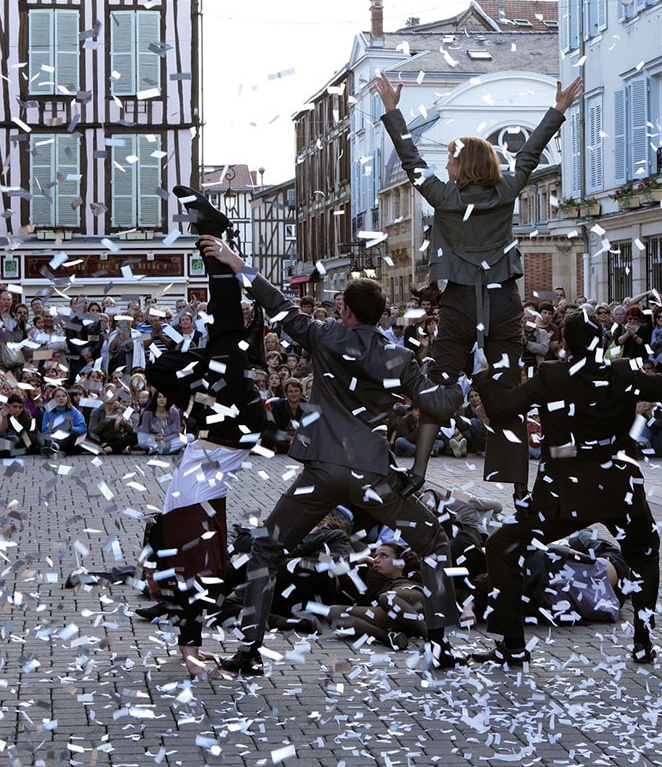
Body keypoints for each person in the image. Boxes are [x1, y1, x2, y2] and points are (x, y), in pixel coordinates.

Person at [197, 236, 466, 676]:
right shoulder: (399, 357)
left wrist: (234, 260)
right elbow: (438, 406)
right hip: (372, 476)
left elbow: (278, 305)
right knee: (435, 542)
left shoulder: (325, 336)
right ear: (382, 316)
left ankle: (249, 651)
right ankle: (439, 644)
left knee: (267, 548)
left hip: (321, 470)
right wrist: (466, 383)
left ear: (345, 311)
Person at [373, 69, 583, 496]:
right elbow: (530, 155)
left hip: (460, 302)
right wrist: (557, 110)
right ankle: (519, 485)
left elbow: (412, 162)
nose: (446, 165)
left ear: (462, 165)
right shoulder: (506, 191)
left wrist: (393, 113)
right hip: (503, 299)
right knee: (508, 389)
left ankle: (419, 471)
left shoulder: (444, 198)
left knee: (439, 383)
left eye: (450, 159)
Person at [470, 305, 662, 665]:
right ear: (600, 340)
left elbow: (503, 409)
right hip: (618, 489)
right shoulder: (625, 371)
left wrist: (485, 372)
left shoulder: (552, 375)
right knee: (644, 552)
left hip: (563, 494)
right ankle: (643, 640)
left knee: (502, 546)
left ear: (564, 344)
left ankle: (513, 644)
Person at [143, 186, 274, 678]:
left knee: (214, 335)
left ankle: (212, 235)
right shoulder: (187, 516)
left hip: (228, 424)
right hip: (231, 424)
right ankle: (213, 235)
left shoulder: (184, 515)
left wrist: (189, 649)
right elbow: (192, 579)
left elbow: (190, 580)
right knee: (219, 332)